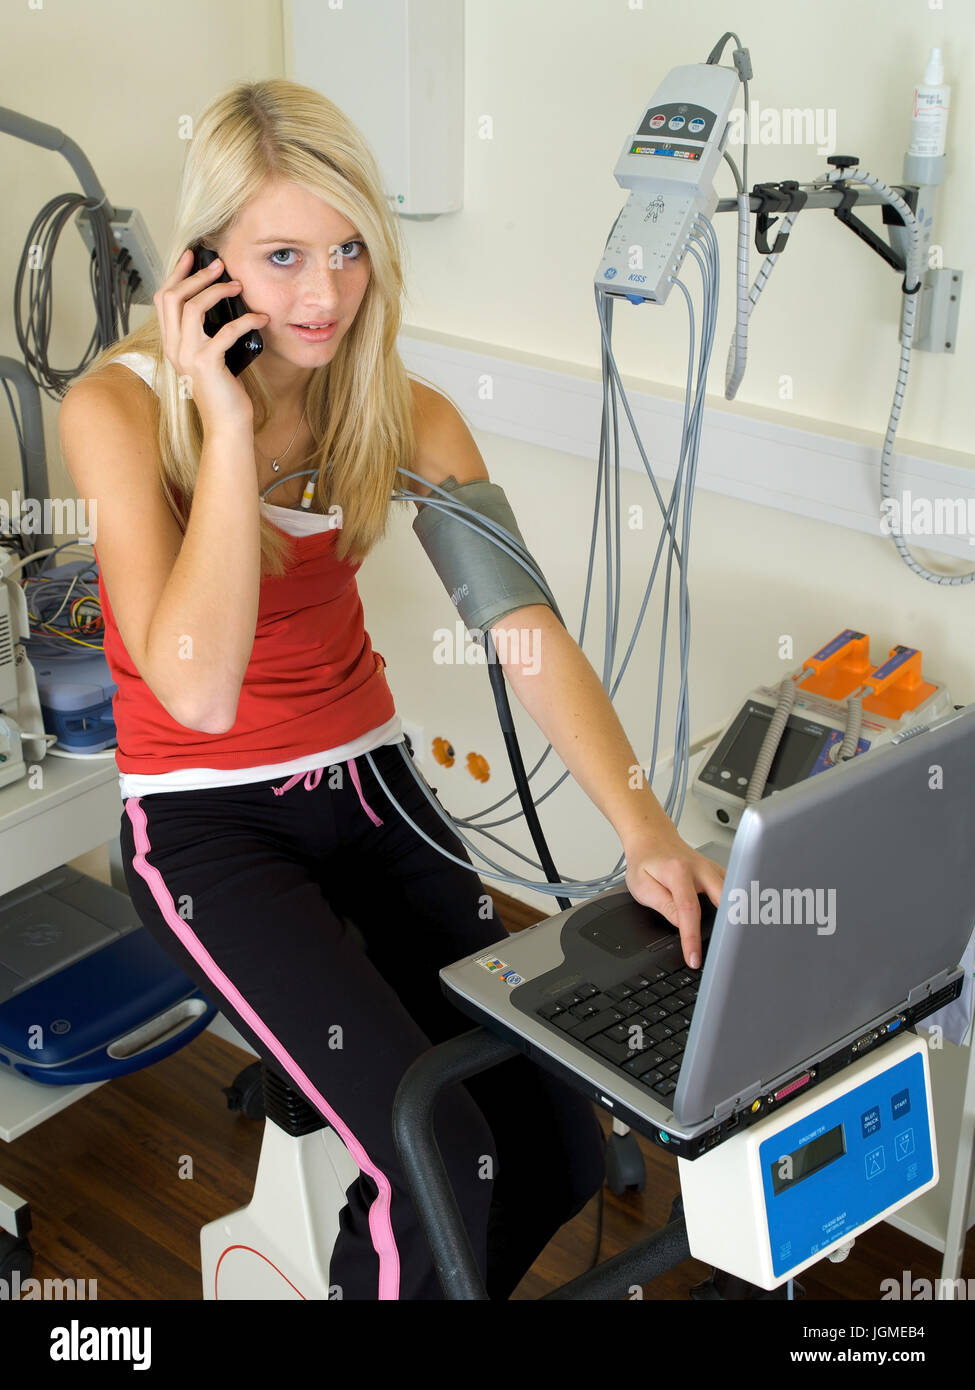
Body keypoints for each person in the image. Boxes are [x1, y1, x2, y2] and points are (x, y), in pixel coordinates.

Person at [58, 79, 724, 1301]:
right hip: (210, 823)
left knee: (555, 1139)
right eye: (282, 256)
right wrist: (224, 423)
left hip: (373, 792)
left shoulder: (403, 415)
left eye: (350, 249)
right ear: (206, 263)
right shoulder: (116, 410)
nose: (324, 294)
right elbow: (196, 689)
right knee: (437, 1154)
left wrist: (648, 831)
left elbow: (521, 626)